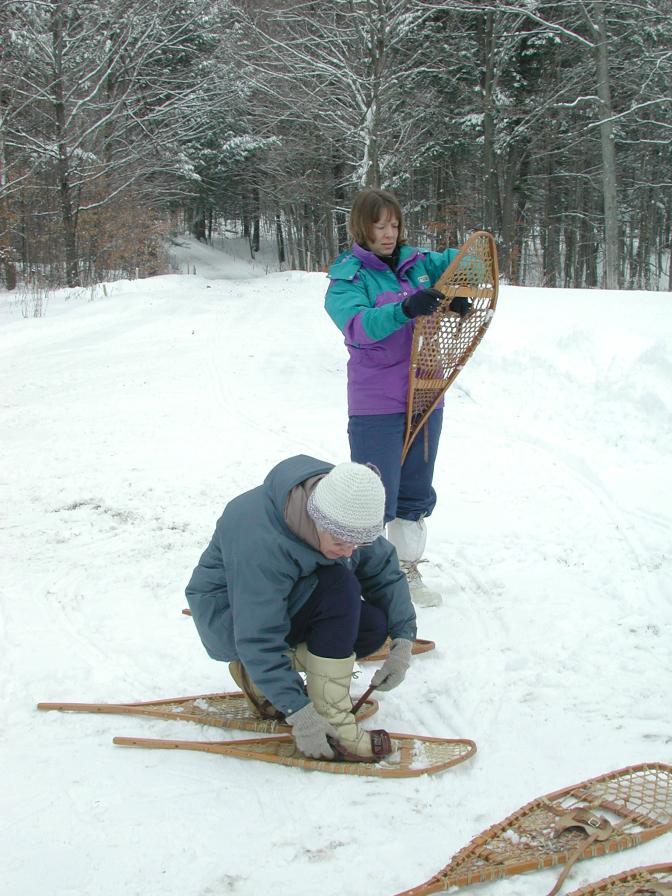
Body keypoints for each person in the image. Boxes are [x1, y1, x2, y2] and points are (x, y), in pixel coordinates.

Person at [185, 454, 417, 762]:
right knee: (339, 587)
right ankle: (330, 718)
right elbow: (257, 636)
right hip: (231, 618)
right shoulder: (259, 537)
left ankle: (263, 680)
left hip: (287, 606)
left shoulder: (348, 509)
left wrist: (403, 641)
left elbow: (384, 573)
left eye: (358, 544)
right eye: (340, 540)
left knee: (371, 625)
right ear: (317, 518)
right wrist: (300, 713)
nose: (348, 550)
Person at [324, 187, 470, 607]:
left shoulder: (419, 263)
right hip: (377, 402)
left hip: (427, 391)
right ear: (361, 227)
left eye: (394, 225)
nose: (389, 234)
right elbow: (357, 325)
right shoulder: (348, 277)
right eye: (379, 225)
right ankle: (370, 579)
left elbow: (474, 258)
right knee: (373, 494)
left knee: (414, 490)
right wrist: (407, 309)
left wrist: (457, 294)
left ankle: (405, 570)